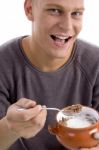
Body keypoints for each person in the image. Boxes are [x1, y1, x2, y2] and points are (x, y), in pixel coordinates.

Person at [0, 0, 99, 149]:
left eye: (76, 13)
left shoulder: (95, 64)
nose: (67, 26)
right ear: (29, 10)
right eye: (54, 10)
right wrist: (9, 127)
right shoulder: (3, 65)